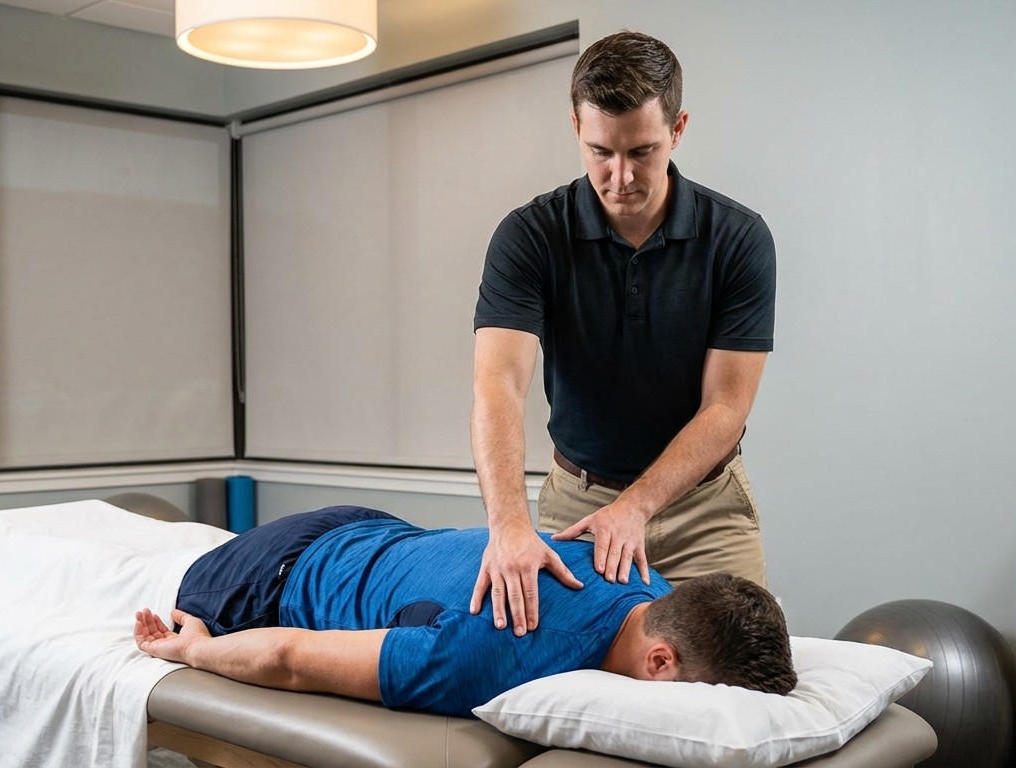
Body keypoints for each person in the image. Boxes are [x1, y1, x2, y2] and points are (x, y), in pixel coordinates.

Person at [470, 31, 777, 637]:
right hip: (579, 505)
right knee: (561, 670)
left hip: (704, 509)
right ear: (576, 128)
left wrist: (635, 506)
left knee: (736, 672)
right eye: (600, 151)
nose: (620, 176)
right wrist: (507, 524)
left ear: (678, 129)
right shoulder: (529, 237)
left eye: (642, 151)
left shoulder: (738, 239)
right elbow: (498, 385)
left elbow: (726, 407)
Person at [135, 505, 796, 718]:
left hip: (378, 529)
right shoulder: (502, 648)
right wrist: (191, 650)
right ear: (660, 661)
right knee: (141, 566)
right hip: (265, 577)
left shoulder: (647, 578)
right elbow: (289, 657)